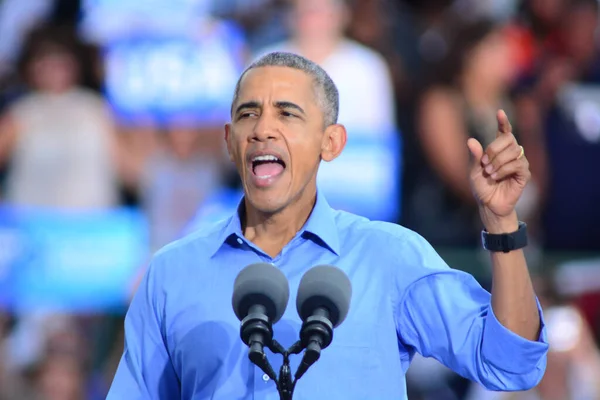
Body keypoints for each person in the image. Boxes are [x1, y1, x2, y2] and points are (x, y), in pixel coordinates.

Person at [107, 52, 548, 399]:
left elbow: (510, 363)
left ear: (331, 143)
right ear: (229, 142)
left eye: (287, 114)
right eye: (247, 114)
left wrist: (501, 222)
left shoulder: (388, 257)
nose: (263, 129)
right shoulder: (171, 273)